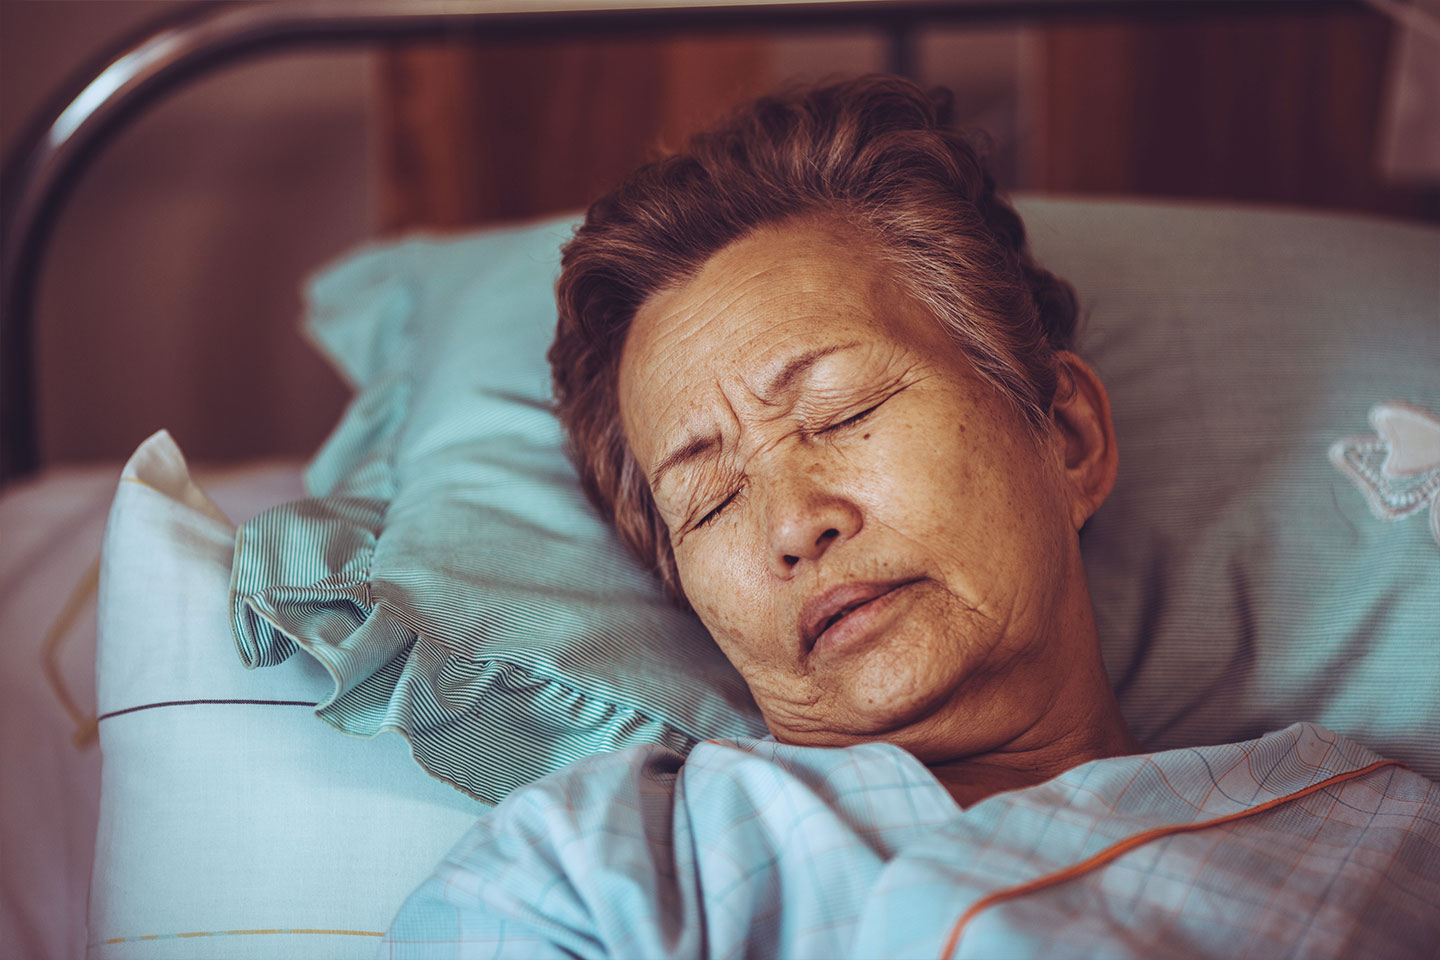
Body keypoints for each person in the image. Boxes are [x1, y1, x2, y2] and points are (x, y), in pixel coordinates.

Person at [380, 76, 1440, 958]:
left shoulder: (1377, 841)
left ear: (1066, 436)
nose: (792, 524)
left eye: (844, 411)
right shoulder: (596, 869)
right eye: (708, 497)